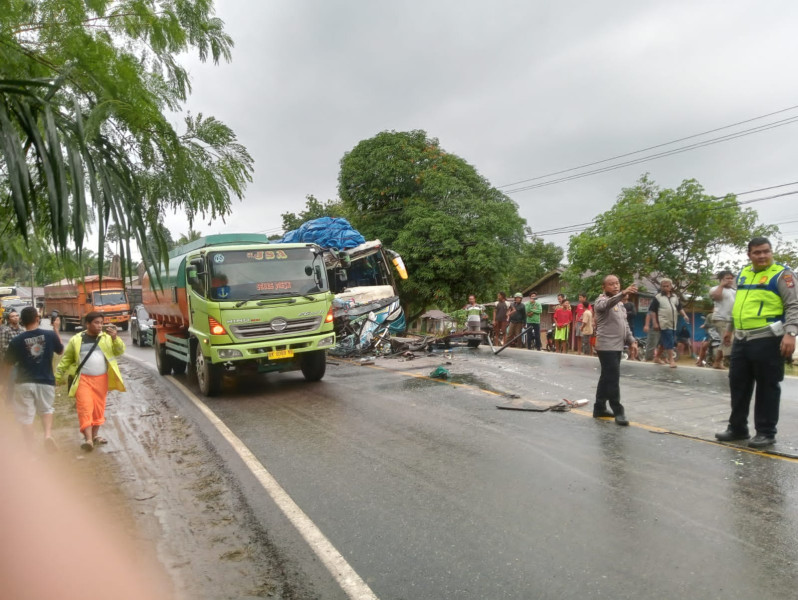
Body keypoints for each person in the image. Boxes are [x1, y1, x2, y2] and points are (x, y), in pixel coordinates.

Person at [715, 237, 798, 448]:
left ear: (771, 252)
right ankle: (737, 428)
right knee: (738, 384)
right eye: (757, 252)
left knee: (767, 386)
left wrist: (791, 333)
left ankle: (766, 432)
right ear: (749, 254)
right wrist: (730, 329)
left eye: (766, 251)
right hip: (742, 339)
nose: (762, 256)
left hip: (768, 338)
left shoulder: (783, 275)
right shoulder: (743, 274)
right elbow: (740, 305)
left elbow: (793, 305)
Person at [56, 312, 126, 452]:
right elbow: (67, 359)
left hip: (101, 380)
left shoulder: (106, 338)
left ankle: (94, 436)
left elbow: (119, 351)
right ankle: (88, 439)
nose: (100, 325)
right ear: (87, 324)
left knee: (98, 409)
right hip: (83, 380)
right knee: (85, 408)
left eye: (101, 322)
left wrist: (115, 338)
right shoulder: (77, 339)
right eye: (96, 322)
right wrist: (58, 375)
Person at [1, 307, 63, 451]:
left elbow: (8, 364)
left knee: (26, 416)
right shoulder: (49, 335)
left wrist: (4, 384)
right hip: (46, 380)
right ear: (37, 318)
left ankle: (31, 448)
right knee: (46, 409)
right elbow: (60, 350)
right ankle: (47, 436)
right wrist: (56, 329)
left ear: (22, 321)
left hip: (23, 382)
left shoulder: (16, 340)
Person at [593, 276, 638, 425]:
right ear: (604, 287)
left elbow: (624, 325)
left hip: (617, 346)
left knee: (606, 378)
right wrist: (623, 293)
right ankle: (618, 411)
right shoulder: (601, 300)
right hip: (606, 346)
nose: (615, 286)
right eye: (611, 284)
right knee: (613, 378)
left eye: (617, 283)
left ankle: (599, 408)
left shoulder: (620, 304)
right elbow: (606, 305)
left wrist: (632, 341)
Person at [648, 279, 690, 368]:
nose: (665, 287)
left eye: (667, 286)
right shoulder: (658, 297)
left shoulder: (675, 297)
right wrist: (655, 323)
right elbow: (652, 311)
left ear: (671, 286)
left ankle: (657, 357)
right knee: (670, 340)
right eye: (663, 286)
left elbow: (679, 308)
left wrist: (685, 316)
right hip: (663, 322)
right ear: (661, 287)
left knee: (664, 342)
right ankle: (671, 360)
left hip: (673, 323)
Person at [709, 270, 736, 369]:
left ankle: (717, 362)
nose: (729, 280)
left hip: (732, 320)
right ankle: (730, 362)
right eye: (727, 278)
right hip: (721, 318)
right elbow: (716, 297)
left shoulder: (734, 291)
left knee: (725, 340)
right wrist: (721, 285)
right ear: (721, 280)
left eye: (731, 278)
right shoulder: (715, 289)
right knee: (728, 340)